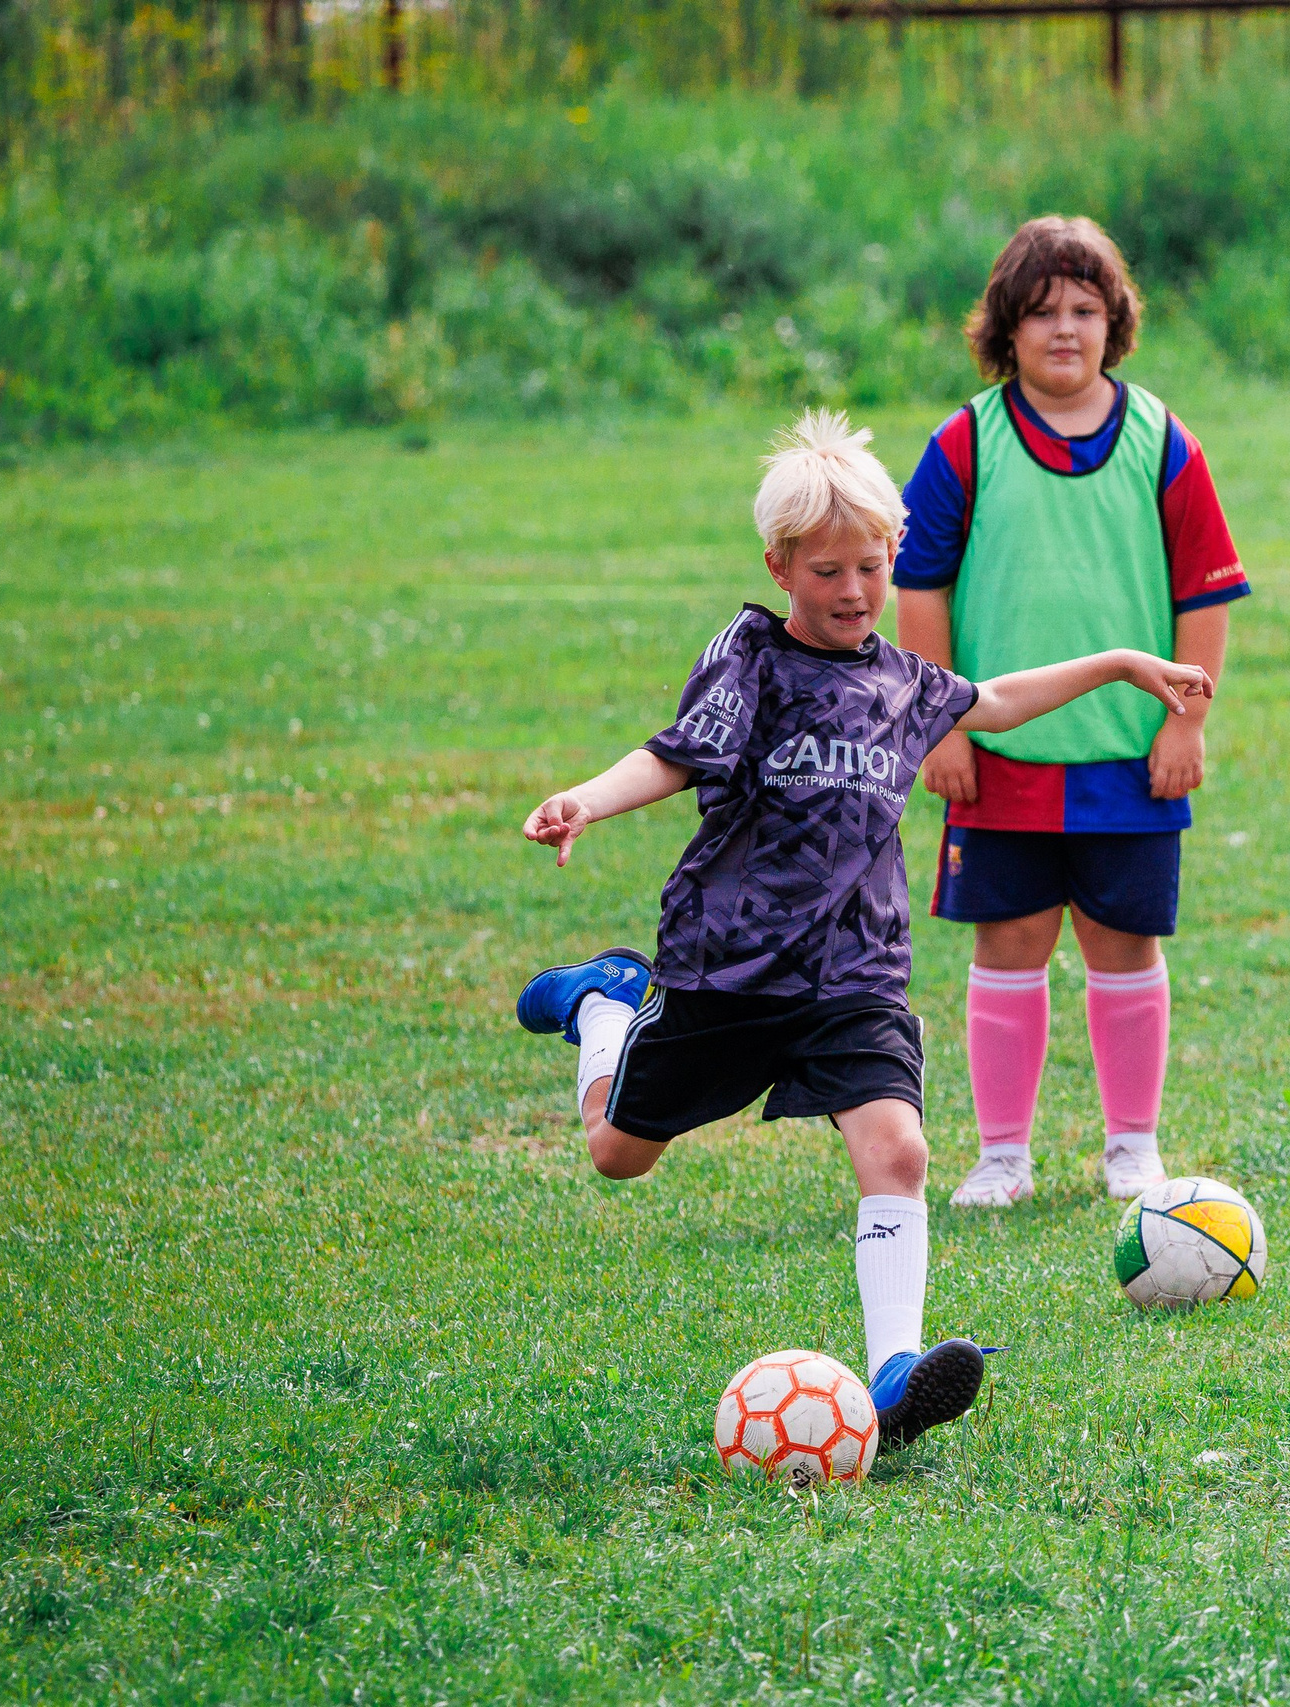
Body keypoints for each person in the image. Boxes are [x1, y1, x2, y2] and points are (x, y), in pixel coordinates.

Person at [509, 411, 1212, 1451]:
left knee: (899, 1149)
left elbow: (997, 702)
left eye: (871, 569)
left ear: (892, 558)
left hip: (854, 973)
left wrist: (1117, 662)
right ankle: (608, 1004)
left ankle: (894, 1371)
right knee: (618, 1153)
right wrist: (586, 800)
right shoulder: (751, 658)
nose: (852, 591)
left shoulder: (903, 682)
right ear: (780, 566)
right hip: (729, 965)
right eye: (827, 571)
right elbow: (673, 755)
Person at [894, 216, 1249, 1210]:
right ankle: (1002, 1154)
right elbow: (918, 589)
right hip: (1000, 754)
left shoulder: (1162, 440)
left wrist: (1185, 722)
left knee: (1123, 945)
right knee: (1008, 943)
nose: (1064, 329)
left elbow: (1204, 594)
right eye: (1042, 311)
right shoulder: (966, 442)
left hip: (1127, 756)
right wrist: (942, 723)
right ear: (1005, 328)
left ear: (1115, 324)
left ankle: (1133, 1146)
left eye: (1085, 310)